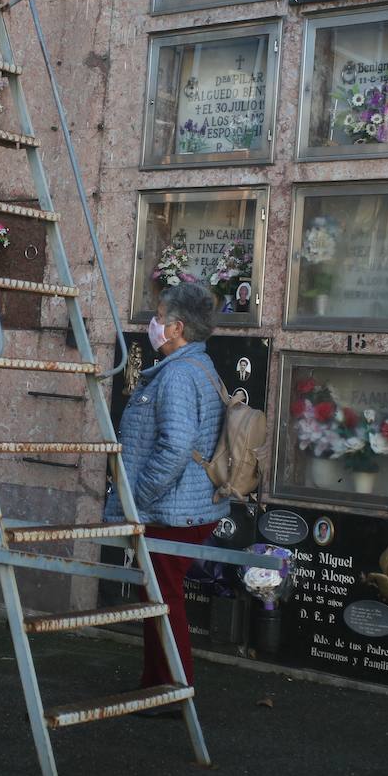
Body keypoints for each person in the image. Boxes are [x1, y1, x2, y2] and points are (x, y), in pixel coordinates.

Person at [106, 281, 229, 714]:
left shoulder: (178, 374)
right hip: (186, 506)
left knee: (163, 600)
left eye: (159, 317)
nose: (153, 325)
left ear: (176, 327)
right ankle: (158, 683)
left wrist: (136, 497)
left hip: (172, 510)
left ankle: (172, 689)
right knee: (160, 598)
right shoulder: (198, 367)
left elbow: (175, 446)